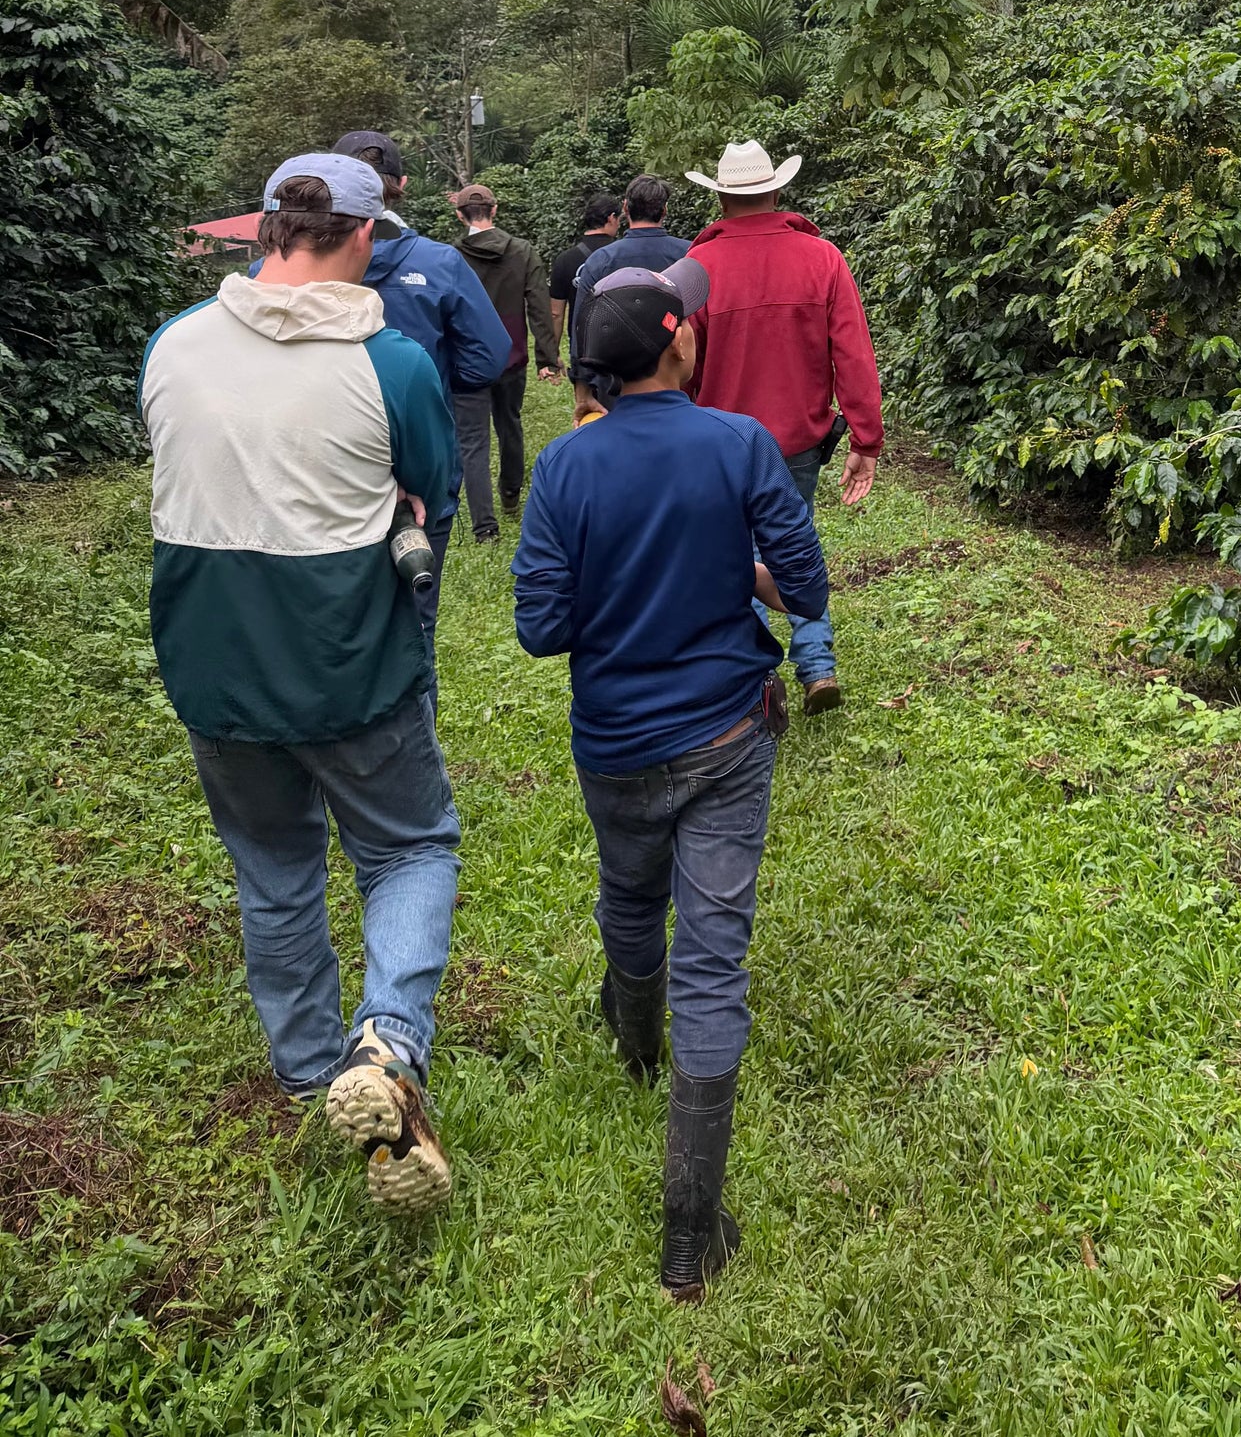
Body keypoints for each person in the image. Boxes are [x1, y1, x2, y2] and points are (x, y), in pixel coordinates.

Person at [141, 155, 462, 1214]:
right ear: (364, 236)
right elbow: (432, 486)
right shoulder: (389, 362)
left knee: (274, 868)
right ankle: (388, 1043)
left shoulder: (173, 344)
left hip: (214, 671)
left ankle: (308, 1069)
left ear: (265, 230)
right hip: (349, 667)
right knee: (409, 846)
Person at [513, 261, 829, 1301]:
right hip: (728, 735)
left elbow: (540, 627)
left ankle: (636, 1045)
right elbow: (805, 586)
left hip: (613, 742)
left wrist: (620, 582)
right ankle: (690, 1234)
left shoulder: (565, 467)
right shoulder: (738, 444)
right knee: (714, 957)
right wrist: (728, 568)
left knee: (629, 895)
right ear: (677, 340)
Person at [684, 138, 882, 717]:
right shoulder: (823, 259)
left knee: (734, 556)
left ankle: (757, 678)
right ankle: (817, 664)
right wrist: (865, 439)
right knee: (795, 542)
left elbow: (681, 364)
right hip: (798, 439)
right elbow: (853, 354)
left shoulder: (698, 270)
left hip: (720, 441)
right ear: (775, 192)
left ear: (721, 199)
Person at [326, 130, 513, 564]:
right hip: (417, 455)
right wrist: (437, 378)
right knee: (417, 588)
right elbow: (487, 358)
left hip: (325, 460)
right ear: (403, 185)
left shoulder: (285, 269)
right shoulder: (438, 262)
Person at [447, 184, 562, 534]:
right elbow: (539, 307)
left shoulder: (451, 256)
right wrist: (547, 358)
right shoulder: (522, 251)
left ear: (460, 215)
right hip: (511, 356)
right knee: (509, 424)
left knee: (473, 441)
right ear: (494, 210)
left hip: (466, 359)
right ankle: (510, 496)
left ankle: (484, 526)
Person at [565, 175, 690, 384]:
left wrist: (583, 384)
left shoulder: (601, 260)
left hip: (615, 380)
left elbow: (582, 326)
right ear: (665, 210)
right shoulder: (690, 254)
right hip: (676, 374)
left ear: (625, 208)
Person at [550, 191, 623, 363]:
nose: (619, 224)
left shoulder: (565, 259)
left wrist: (552, 354)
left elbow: (555, 314)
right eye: (619, 219)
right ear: (611, 218)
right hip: (620, 345)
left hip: (582, 347)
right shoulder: (623, 255)